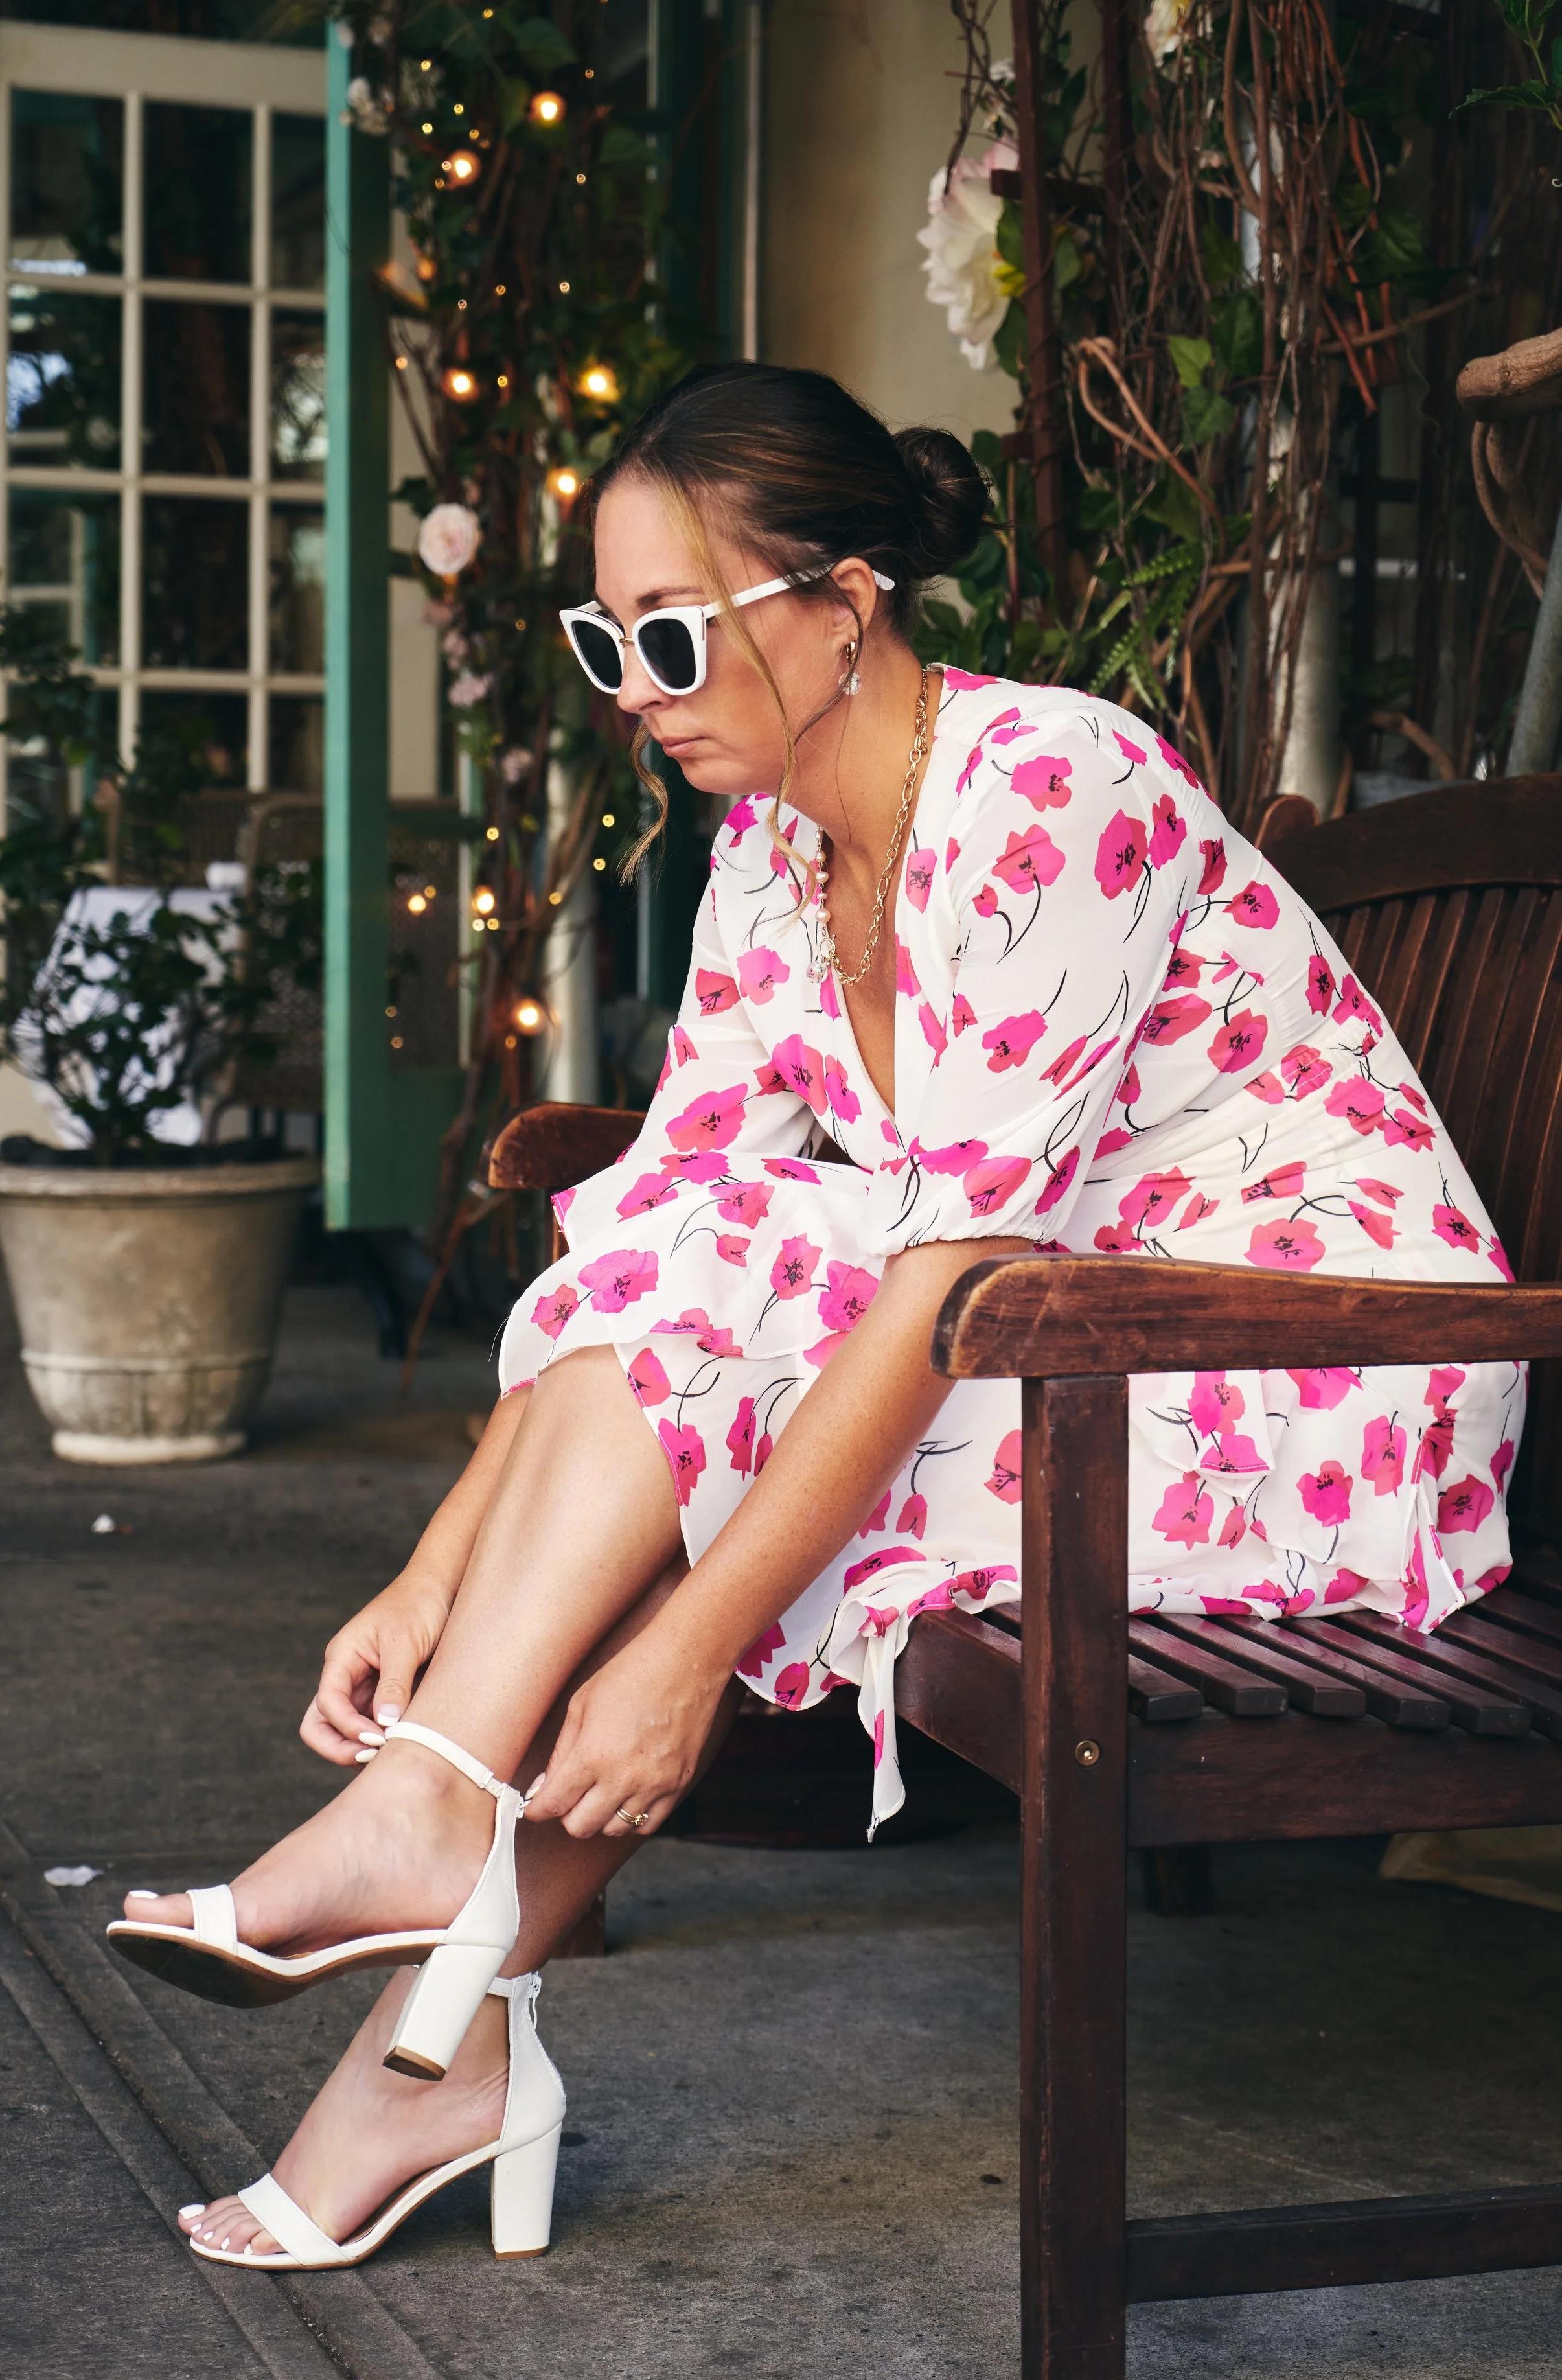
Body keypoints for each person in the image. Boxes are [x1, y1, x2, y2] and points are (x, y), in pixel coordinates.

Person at [108, 362, 1523, 2268]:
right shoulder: (774, 851)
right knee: (727, 1262)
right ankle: (427, 1943)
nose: (637, 691)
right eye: (606, 641)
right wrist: (431, 1578)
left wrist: (687, 1660)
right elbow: (662, 1226)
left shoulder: (1052, 784)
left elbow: (946, 1271)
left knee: (777, 1343)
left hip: (1322, 1378)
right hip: (1078, 1339)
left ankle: (427, 1941)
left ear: (848, 604)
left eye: (674, 633)